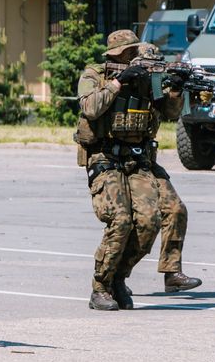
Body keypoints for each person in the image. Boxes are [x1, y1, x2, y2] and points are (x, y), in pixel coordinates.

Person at [75, 31, 184, 311]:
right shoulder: (95, 75)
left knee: (150, 220)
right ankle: (100, 286)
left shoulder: (148, 77)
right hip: (104, 157)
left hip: (136, 158)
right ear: (114, 56)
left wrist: (175, 88)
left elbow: (170, 112)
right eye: (125, 55)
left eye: (132, 53)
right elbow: (90, 108)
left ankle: (118, 278)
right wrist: (119, 82)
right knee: (120, 220)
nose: (130, 58)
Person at [136, 44, 203, 294]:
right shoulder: (114, 84)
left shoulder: (154, 88)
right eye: (146, 66)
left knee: (175, 209)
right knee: (133, 222)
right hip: (116, 164)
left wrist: (175, 88)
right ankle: (113, 277)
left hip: (146, 161)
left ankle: (171, 272)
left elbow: (172, 113)